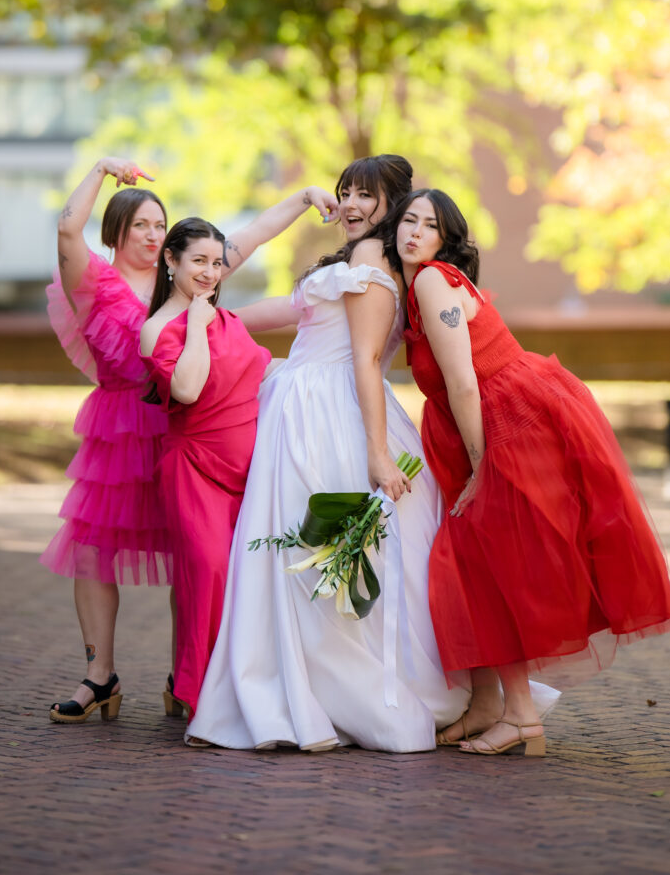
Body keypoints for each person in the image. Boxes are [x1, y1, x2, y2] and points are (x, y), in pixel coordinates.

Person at [186, 154, 559, 752]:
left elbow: (363, 359)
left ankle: (347, 691)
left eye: (366, 195)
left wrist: (378, 453)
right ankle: (473, 696)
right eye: (345, 192)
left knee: (332, 551)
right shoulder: (367, 257)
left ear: (395, 204)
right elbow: (296, 311)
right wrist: (212, 319)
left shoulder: (373, 258)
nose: (351, 205)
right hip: (310, 404)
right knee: (345, 555)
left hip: (333, 413)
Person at [43, 157, 338, 723]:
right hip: (118, 430)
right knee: (94, 552)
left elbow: (246, 238)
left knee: (196, 556)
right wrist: (103, 170)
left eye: (160, 225)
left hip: (184, 427)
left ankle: (189, 675)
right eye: (141, 226)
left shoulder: (184, 277)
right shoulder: (93, 280)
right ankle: (98, 676)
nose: (154, 235)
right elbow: (65, 227)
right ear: (117, 232)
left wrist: (302, 197)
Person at [394, 188, 670, 757]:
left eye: (429, 225)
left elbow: (465, 381)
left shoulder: (429, 281)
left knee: (490, 566)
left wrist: (479, 467)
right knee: (488, 565)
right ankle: (495, 705)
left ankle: (519, 715)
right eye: (409, 220)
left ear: (446, 239)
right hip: (499, 420)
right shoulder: (420, 287)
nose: (414, 232)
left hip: (505, 426)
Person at [140, 218, 271, 717]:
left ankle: (238, 687)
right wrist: (196, 322)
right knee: (208, 573)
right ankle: (199, 695)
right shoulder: (157, 329)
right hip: (193, 470)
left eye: (217, 263)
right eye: (198, 260)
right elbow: (188, 389)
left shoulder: (231, 321)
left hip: (247, 474)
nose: (210, 272)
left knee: (243, 579)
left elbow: (260, 372)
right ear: (170, 260)